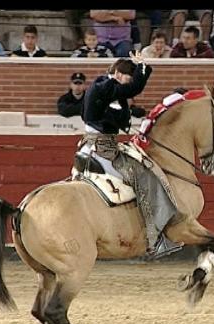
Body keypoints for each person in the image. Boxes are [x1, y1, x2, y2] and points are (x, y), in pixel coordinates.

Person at [78, 51, 181, 257]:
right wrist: (143, 66)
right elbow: (135, 88)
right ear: (117, 73)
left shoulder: (107, 89)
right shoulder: (105, 86)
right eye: (127, 77)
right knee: (144, 179)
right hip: (102, 149)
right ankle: (154, 240)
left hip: (101, 145)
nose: (129, 84)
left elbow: (114, 112)